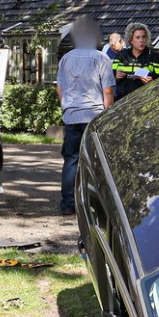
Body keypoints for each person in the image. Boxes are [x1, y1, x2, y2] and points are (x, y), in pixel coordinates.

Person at [56, 16, 115, 216]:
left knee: (71, 160)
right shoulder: (102, 58)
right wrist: (107, 115)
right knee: (97, 162)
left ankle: (67, 204)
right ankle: (97, 206)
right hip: (95, 117)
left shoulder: (66, 59)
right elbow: (107, 91)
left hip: (72, 116)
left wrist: (66, 107)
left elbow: (60, 89)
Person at [111, 22, 159, 100]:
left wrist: (152, 82)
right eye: (138, 37)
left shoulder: (154, 57)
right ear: (131, 40)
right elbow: (109, 80)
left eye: (143, 37)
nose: (141, 40)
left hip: (144, 101)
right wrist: (116, 77)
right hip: (121, 102)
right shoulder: (121, 56)